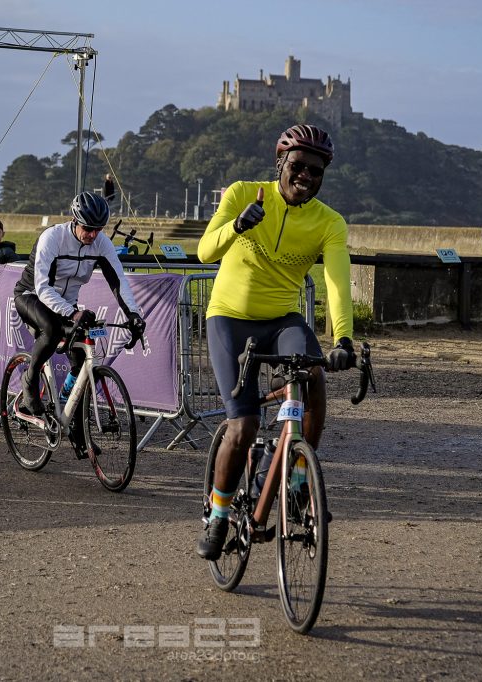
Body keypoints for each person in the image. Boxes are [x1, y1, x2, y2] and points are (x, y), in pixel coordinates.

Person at [195, 124, 356, 560]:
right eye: (298, 166)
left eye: (316, 171)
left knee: (315, 377)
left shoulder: (329, 222)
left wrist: (343, 337)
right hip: (229, 317)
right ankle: (219, 512)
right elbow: (205, 252)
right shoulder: (242, 193)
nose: (306, 176)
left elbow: (337, 282)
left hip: (281, 319)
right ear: (280, 162)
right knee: (243, 425)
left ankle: (298, 480)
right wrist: (237, 226)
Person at [12, 191, 146, 451]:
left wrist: (133, 314)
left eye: (98, 229)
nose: (93, 235)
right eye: (88, 228)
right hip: (32, 296)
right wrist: (72, 313)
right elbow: (43, 288)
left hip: (66, 304)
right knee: (51, 330)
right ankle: (30, 381)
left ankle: (72, 418)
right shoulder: (53, 238)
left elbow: (118, 281)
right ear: (74, 221)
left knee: (82, 360)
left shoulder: (101, 243)